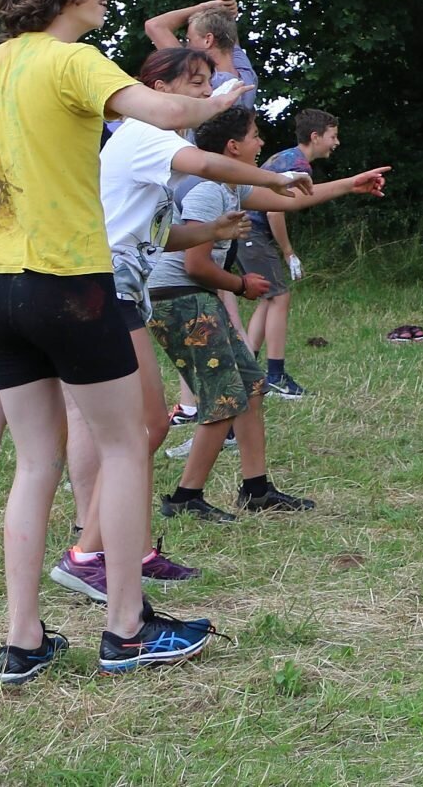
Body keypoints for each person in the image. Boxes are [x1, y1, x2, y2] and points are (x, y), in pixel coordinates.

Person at [0, 0, 233, 681]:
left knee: (35, 461)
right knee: (126, 442)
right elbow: (164, 113)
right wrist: (224, 94)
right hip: (69, 282)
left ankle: (22, 640)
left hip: (1, 288)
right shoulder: (74, 60)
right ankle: (127, 629)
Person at [53, 46, 297, 606]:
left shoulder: (151, 145)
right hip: (103, 290)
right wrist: (277, 177)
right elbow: (210, 166)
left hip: (119, 290)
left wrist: (211, 231)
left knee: (146, 428)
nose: (206, 95)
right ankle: (87, 555)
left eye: (209, 83)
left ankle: (133, 550)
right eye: (196, 84)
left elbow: (156, 236)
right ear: (157, 89)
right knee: (143, 429)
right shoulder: (146, 133)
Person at [151, 105, 382, 517]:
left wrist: (351, 185)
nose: (261, 142)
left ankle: (256, 491)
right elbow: (194, 264)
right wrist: (240, 285)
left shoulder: (231, 185)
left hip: (195, 296)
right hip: (178, 299)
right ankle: (185, 499)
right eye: (255, 135)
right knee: (224, 396)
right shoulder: (208, 190)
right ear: (233, 146)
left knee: (252, 386)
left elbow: (289, 200)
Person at [246, 106, 340, 400]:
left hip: (247, 232)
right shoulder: (299, 165)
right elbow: (274, 210)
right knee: (280, 297)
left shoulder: (285, 157)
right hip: (251, 232)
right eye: (333, 136)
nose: (336, 143)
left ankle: (247, 371)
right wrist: (288, 253)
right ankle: (275, 377)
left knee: (269, 297)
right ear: (315, 137)